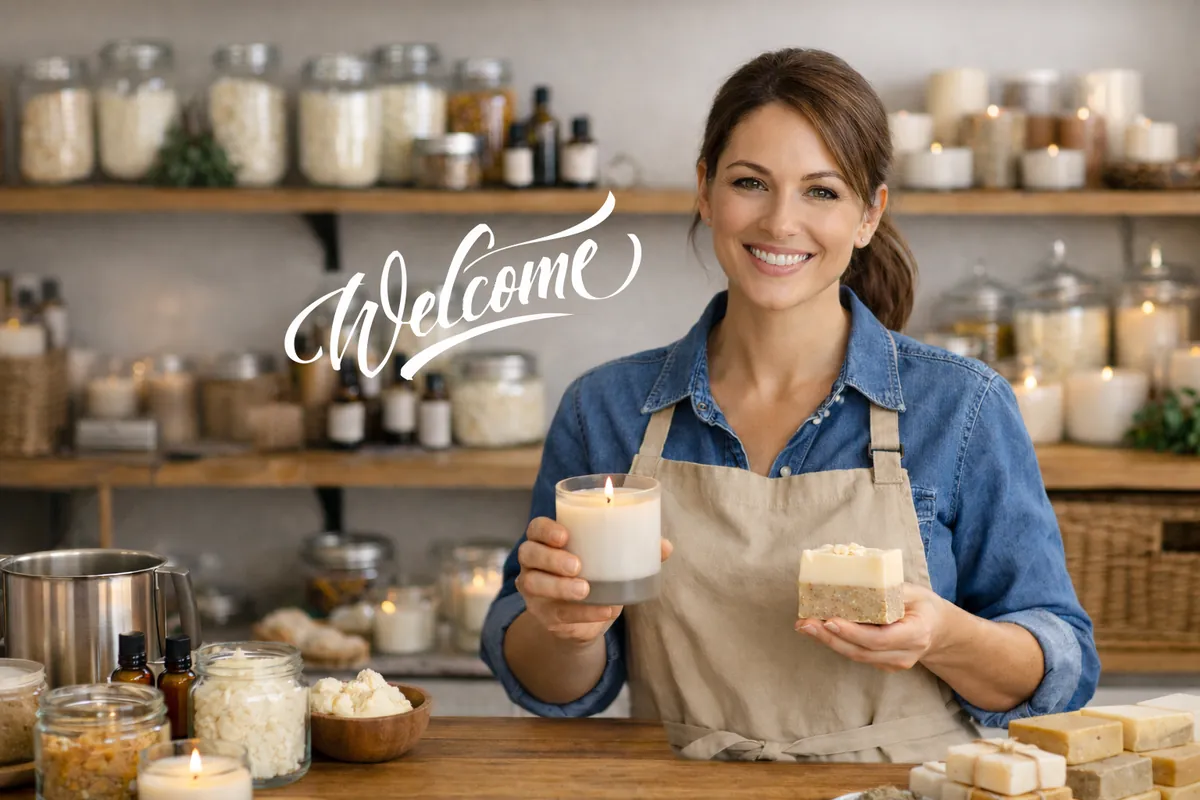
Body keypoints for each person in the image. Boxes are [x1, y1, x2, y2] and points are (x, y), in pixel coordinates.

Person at [479, 47, 1099, 763]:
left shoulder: (961, 407)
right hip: (684, 787)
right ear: (705, 190)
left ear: (870, 214)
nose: (780, 222)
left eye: (822, 192)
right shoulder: (608, 408)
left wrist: (945, 636)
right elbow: (553, 689)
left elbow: (1063, 667)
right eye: (751, 182)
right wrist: (566, 626)